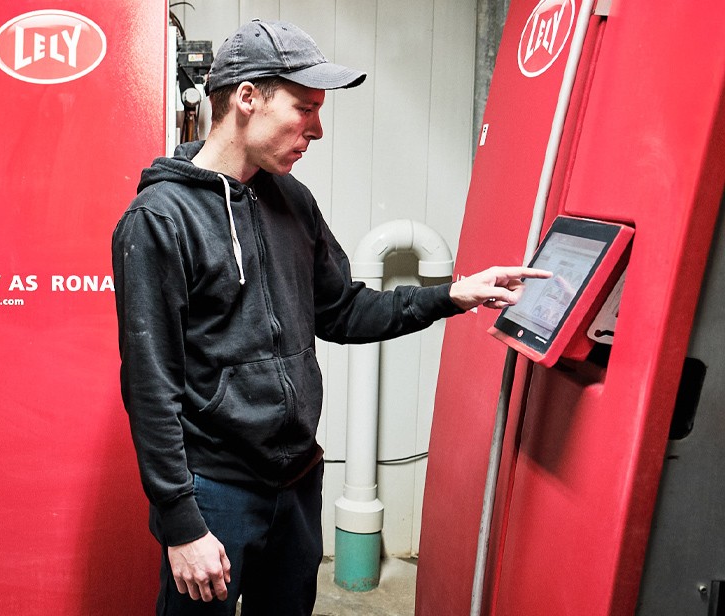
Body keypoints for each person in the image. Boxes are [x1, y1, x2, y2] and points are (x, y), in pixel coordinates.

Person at [111, 19, 550, 616]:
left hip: (296, 480)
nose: (317, 129)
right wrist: (182, 524)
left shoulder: (292, 200)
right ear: (247, 98)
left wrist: (454, 294)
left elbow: (343, 311)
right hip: (214, 490)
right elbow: (150, 387)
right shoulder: (159, 220)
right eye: (305, 108)